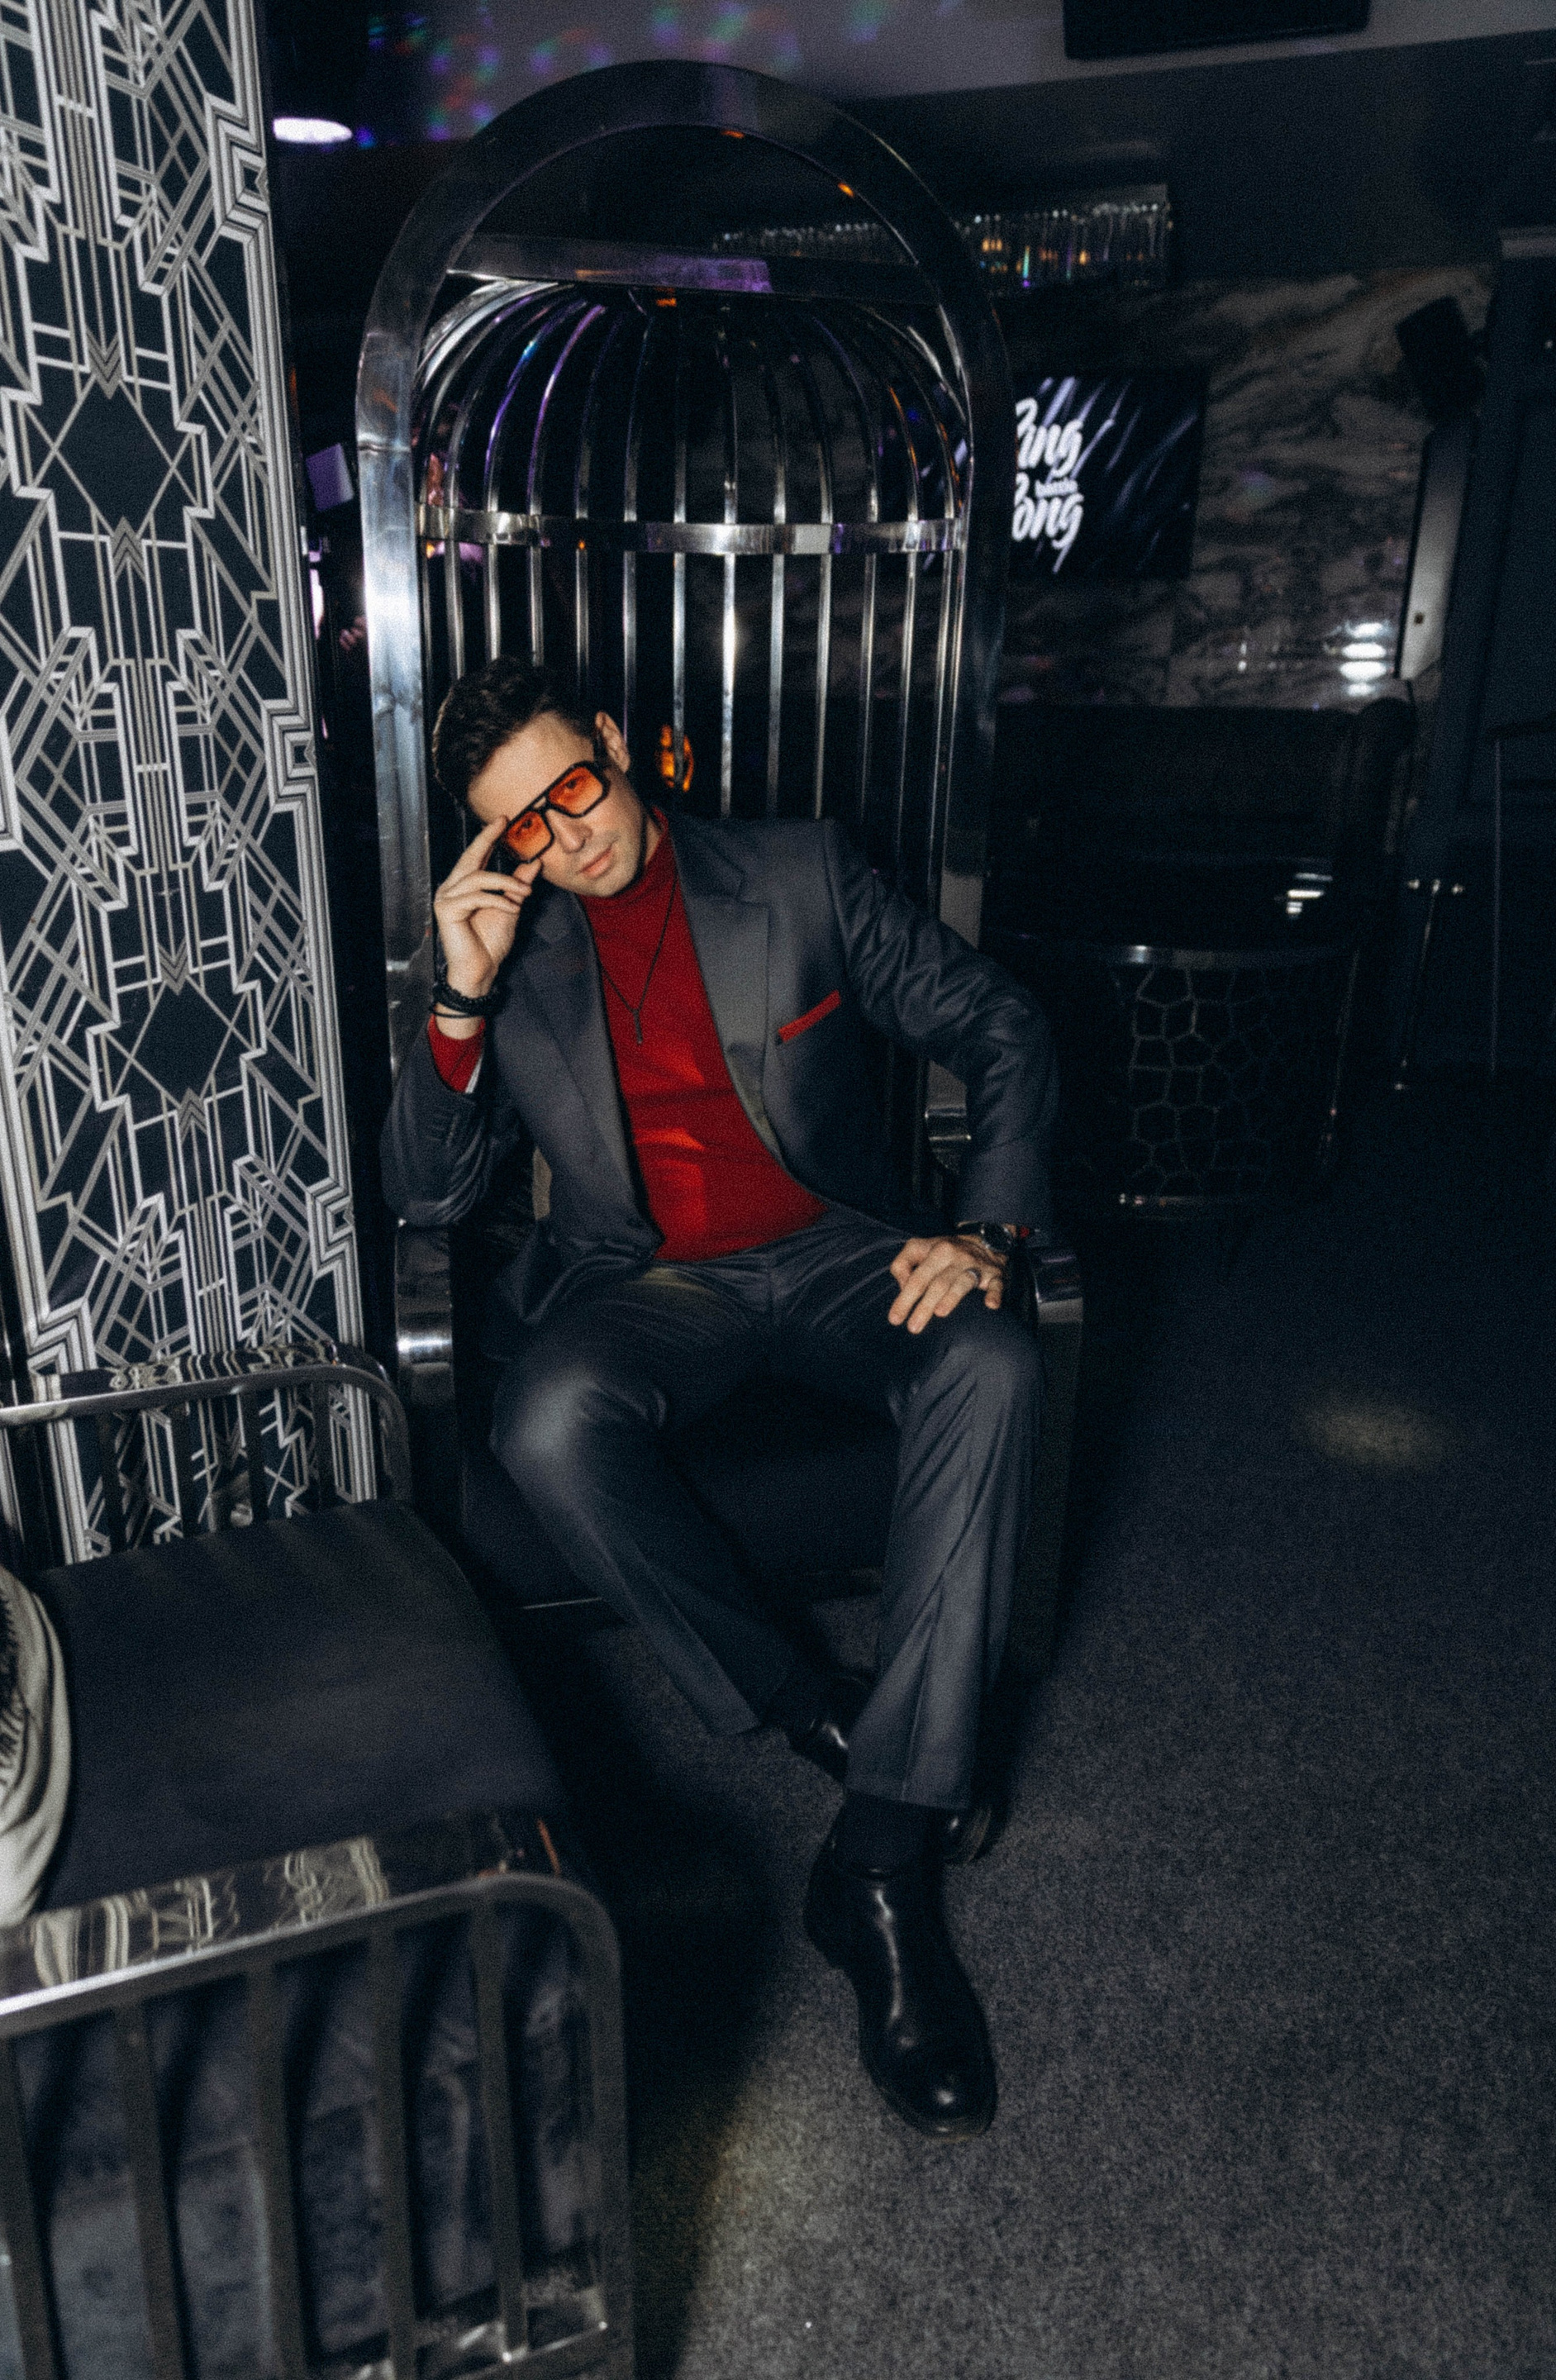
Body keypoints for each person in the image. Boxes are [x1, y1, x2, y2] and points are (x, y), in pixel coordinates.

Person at [381, 656, 1059, 2140]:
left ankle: (878, 1865)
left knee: (997, 1356)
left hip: (836, 1250)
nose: (569, 835)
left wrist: (990, 1231)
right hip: (650, 1285)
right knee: (545, 1421)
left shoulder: (800, 872)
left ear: (616, 745)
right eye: (527, 825)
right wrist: (460, 996)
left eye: (575, 787)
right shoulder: (512, 946)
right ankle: (811, 1708)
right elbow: (425, 1192)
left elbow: (1002, 1025)